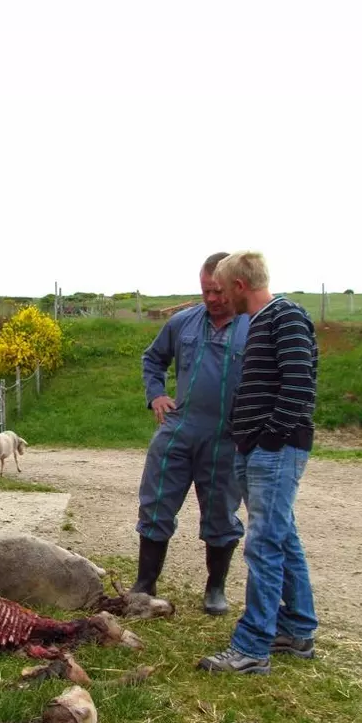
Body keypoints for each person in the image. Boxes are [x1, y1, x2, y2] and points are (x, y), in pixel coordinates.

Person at [198, 251, 318, 674]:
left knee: (263, 544)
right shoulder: (264, 321)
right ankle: (298, 629)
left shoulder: (285, 317)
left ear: (239, 286)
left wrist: (269, 438)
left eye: (223, 288)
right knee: (283, 537)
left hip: (275, 450)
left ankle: (252, 647)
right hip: (258, 448)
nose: (221, 297)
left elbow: (300, 384)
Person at [132, 253, 249, 614]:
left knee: (220, 515)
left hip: (226, 437)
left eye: (218, 291)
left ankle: (215, 589)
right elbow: (153, 359)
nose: (212, 299)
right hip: (179, 429)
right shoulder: (182, 323)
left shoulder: (255, 326)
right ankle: (144, 584)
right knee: (156, 504)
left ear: (234, 286)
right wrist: (156, 395)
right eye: (205, 291)